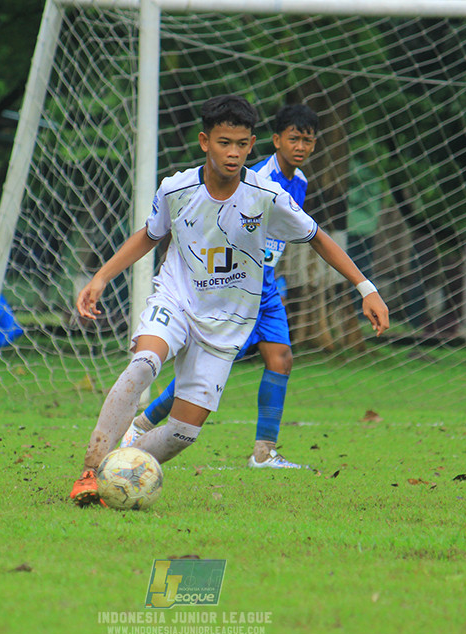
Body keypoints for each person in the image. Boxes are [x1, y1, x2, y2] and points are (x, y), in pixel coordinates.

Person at [69, 94, 389, 506]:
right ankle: (91, 471)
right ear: (205, 141)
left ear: (252, 144)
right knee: (145, 363)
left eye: (241, 144)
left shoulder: (267, 195)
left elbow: (318, 238)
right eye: (224, 143)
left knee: (183, 433)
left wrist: (366, 288)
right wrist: (100, 278)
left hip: (227, 322)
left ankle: (120, 471)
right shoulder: (176, 188)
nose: (233, 153)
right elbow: (149, 235)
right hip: (177, 300)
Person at [121, 104, 320, 469]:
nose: (301, 147)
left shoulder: (301, 182)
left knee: (281, 359)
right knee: (202, 370)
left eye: (308, 141)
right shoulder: (257, 178)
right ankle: (143, 424)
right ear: (276, 141)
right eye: (294, 139)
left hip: (266, 286)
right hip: (232, 289)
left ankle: (264, 452)